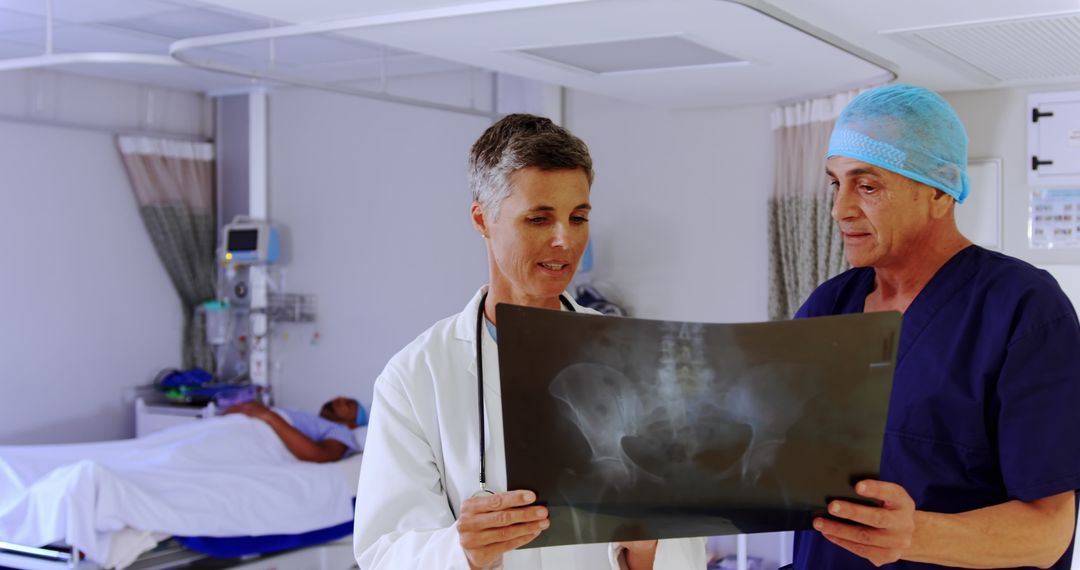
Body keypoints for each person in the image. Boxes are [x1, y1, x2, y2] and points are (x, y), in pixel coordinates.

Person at [352, 114, 706, 569]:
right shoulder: (416, 376)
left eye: (578, 218)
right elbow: (385, 553)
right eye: (539, 218)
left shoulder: (633, 356)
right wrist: (464, 551)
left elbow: (686, 548)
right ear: (483, 219)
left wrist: (648, 543)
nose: (565, 240)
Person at [791, 84, 1080, 569]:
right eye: (835, 184)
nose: (840, 209)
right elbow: (769, 462)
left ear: (940, 192)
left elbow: (1048, 531)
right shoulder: (829, 306)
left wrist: (913, 535)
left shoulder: (1022, 309)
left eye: (867, 186)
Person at [226, 396, 362, 463]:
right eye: (342, 398)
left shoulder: (341, 431)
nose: (339, 400)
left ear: (353, 424)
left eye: (348, 405)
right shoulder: (311, 418)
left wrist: (269, 416)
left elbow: (320, 454)